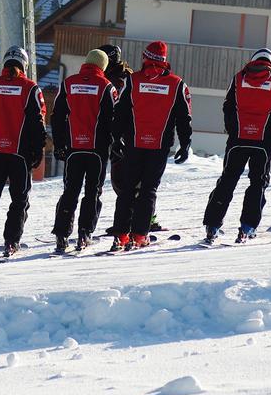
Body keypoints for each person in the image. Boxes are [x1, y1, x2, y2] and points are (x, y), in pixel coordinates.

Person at [202, 48, 271, 244]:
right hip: (263, 141)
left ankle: (212, 225)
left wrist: (234, 129)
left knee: (227, 180)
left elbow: (227, 105)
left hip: (237, 140)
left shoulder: (238, 78)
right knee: (258, 182)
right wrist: (267, 123)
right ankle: (247, 227)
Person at [110, 41, 192, 250]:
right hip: (159, 146)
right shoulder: (176, 84)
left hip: (134, 143)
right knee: (148, 190)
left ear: (145, 58)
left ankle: (120, 235)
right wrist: (185, 143)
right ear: (164, 60)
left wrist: (115, 138)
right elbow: (184, 117)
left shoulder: (133, 80)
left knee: (128, 189)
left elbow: (120, 112)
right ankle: (139, 235)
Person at [0, 46, 46, 258]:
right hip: (19, 155)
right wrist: (38, 149)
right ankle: (11, 242)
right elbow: (37, 121)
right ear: (24, 65)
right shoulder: (31, 88)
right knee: (19, 200)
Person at [50, 49, 118, 252]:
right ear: (103, 67)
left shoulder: (68, 84)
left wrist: (60, 144)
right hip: (97, 150)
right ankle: (84, 234)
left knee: (70, 192)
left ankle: (61, 235)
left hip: (73, 148)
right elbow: (112, 120)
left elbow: (57, 116)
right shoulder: (107, 87)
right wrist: (114, 144)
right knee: (92, 193)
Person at [99, 44, 166, 234]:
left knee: (128, 182)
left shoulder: (122, 78)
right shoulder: (111, 76)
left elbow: (123, 109)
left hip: (129, 137)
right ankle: (131, 220)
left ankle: (143, 220)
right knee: (122, 182)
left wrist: (119, 134)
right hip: (120, 135)